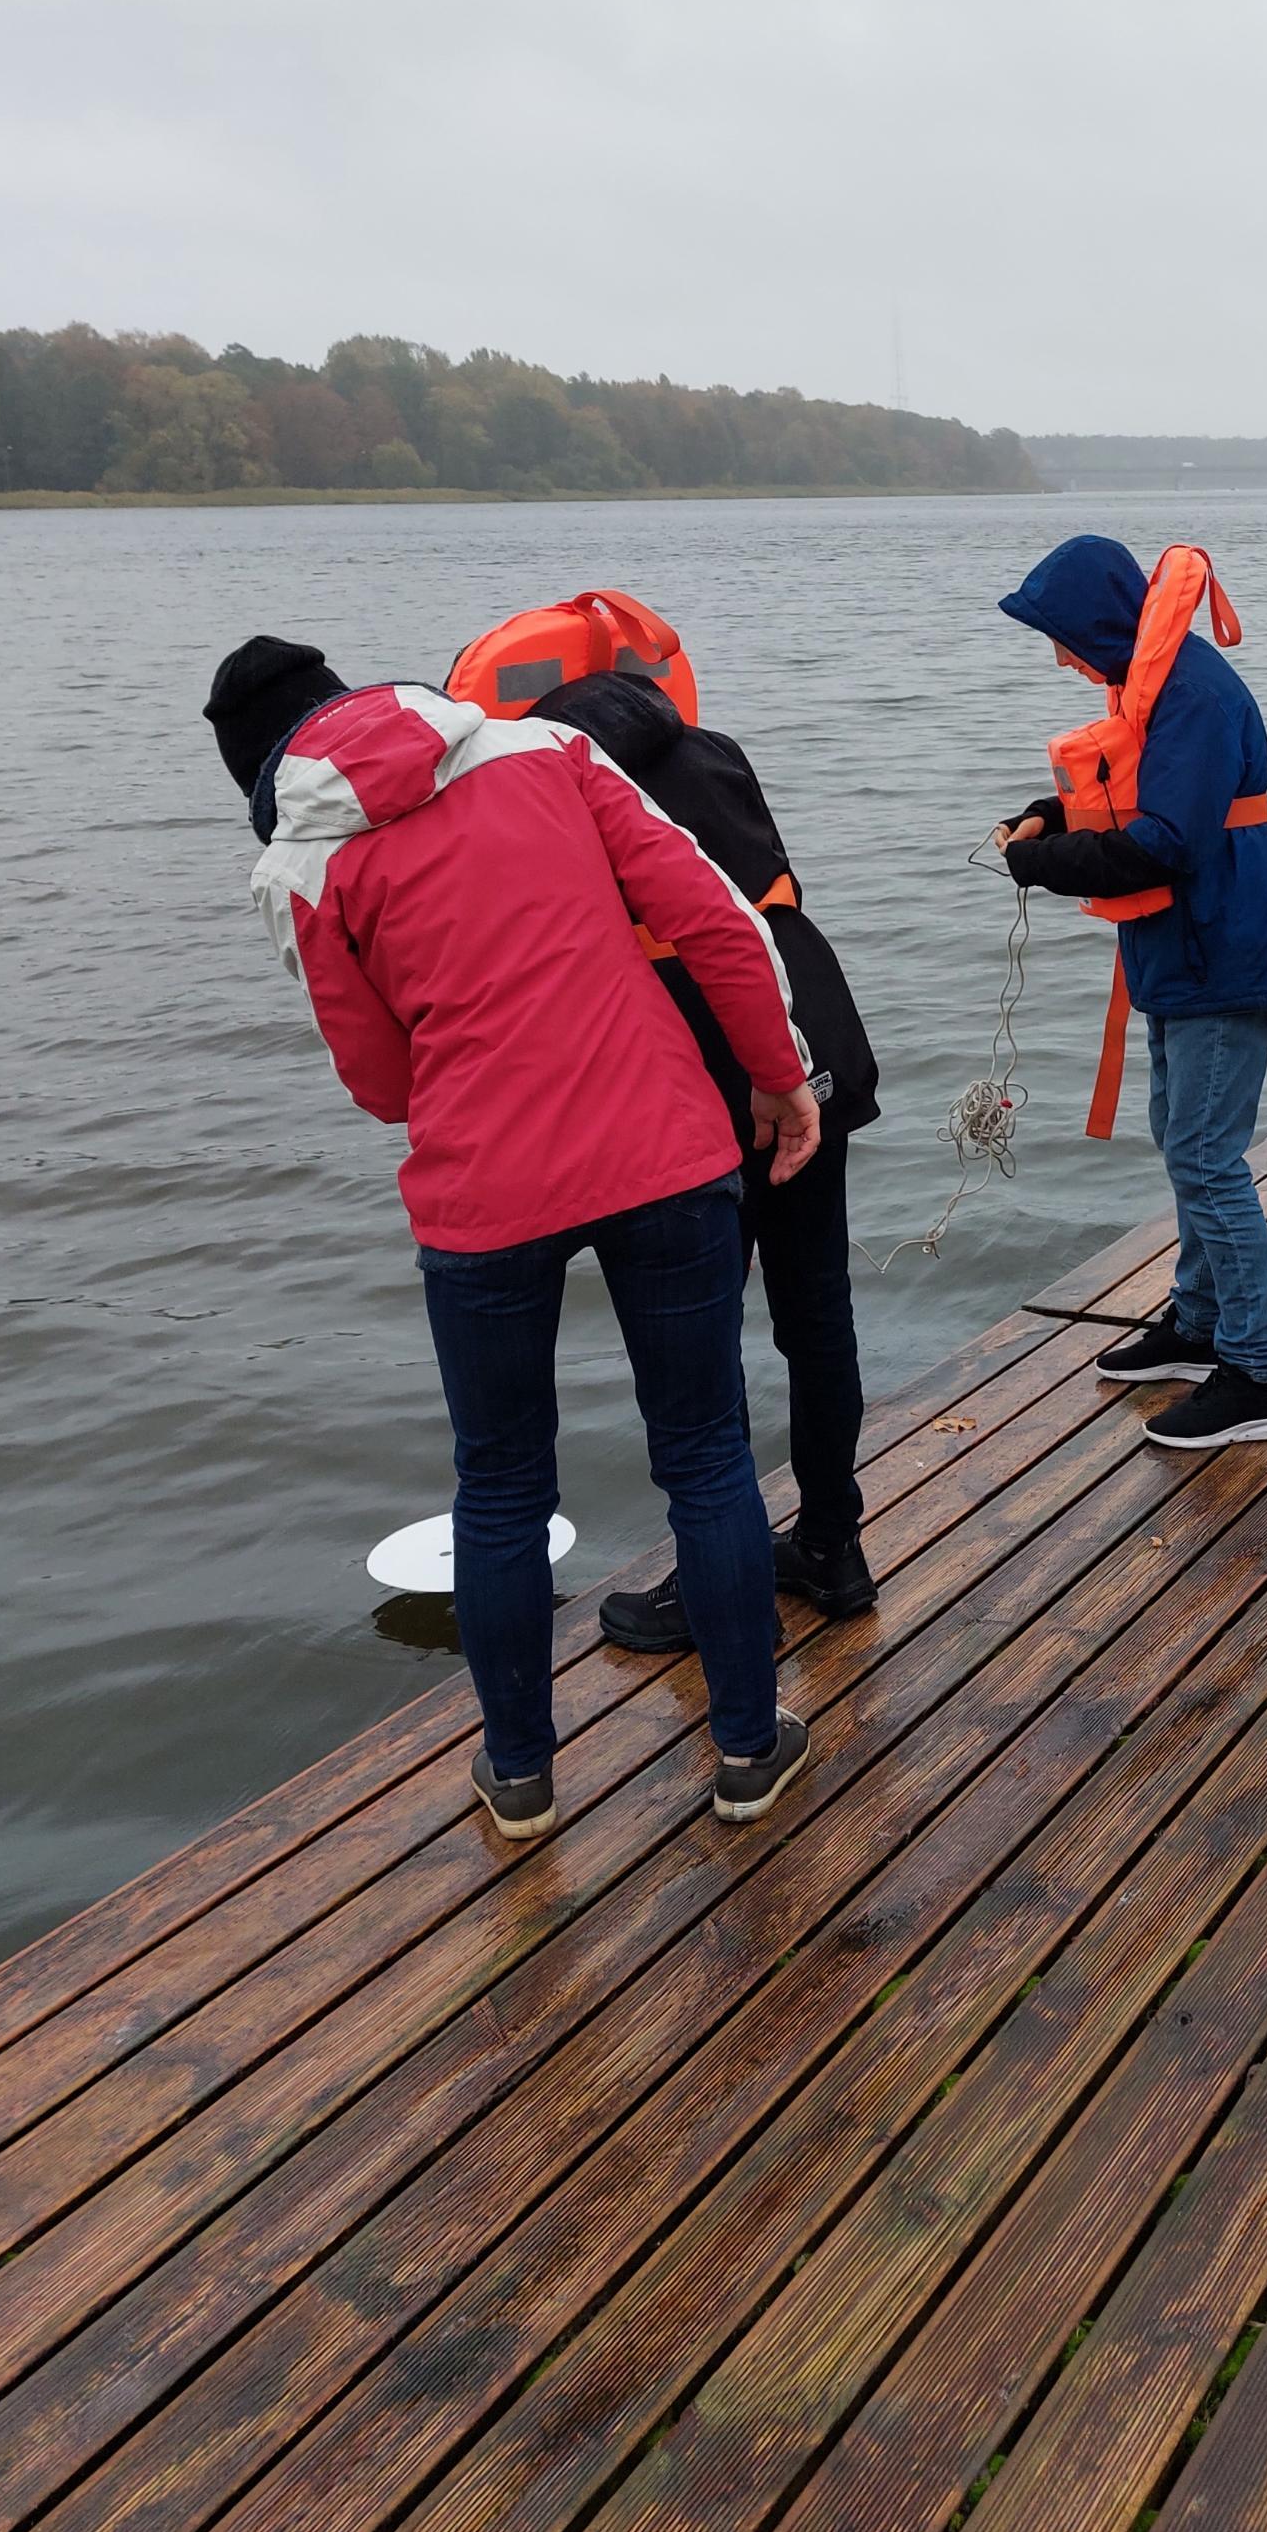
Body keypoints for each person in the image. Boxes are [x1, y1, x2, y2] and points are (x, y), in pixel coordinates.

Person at [203, 633, 823, 1843]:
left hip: (482, 1195)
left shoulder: (301, 867)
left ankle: (522, 1777)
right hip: (661, 1148)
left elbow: (382, 1084)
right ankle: (750, 1751)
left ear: (268, 776)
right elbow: (713, 917)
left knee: (497, 1490)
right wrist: (777, 1072)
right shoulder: (547, 750)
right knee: (705, 1457)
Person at [527, 665, 883, 1631]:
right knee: (817, 1315)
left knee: (697, 1343)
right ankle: (833, 1546)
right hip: (814, 1026)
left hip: (708, 1055)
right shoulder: (715, 752)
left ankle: (710, 1581)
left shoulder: (572, 783)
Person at [994, 535, 1267, 1451]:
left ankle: (1256, 1373)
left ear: (1099, 623)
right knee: (1182, 1143)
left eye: (1061, 638)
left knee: (1209, 1158)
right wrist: (1050, 817)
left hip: (1222, 945)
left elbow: (1170, 839)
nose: (1060, 659)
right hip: (1179, 949)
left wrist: (1043, 863)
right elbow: (1136, 794)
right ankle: (1198, 1323)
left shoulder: (1190, 691)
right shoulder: (1150, 684)